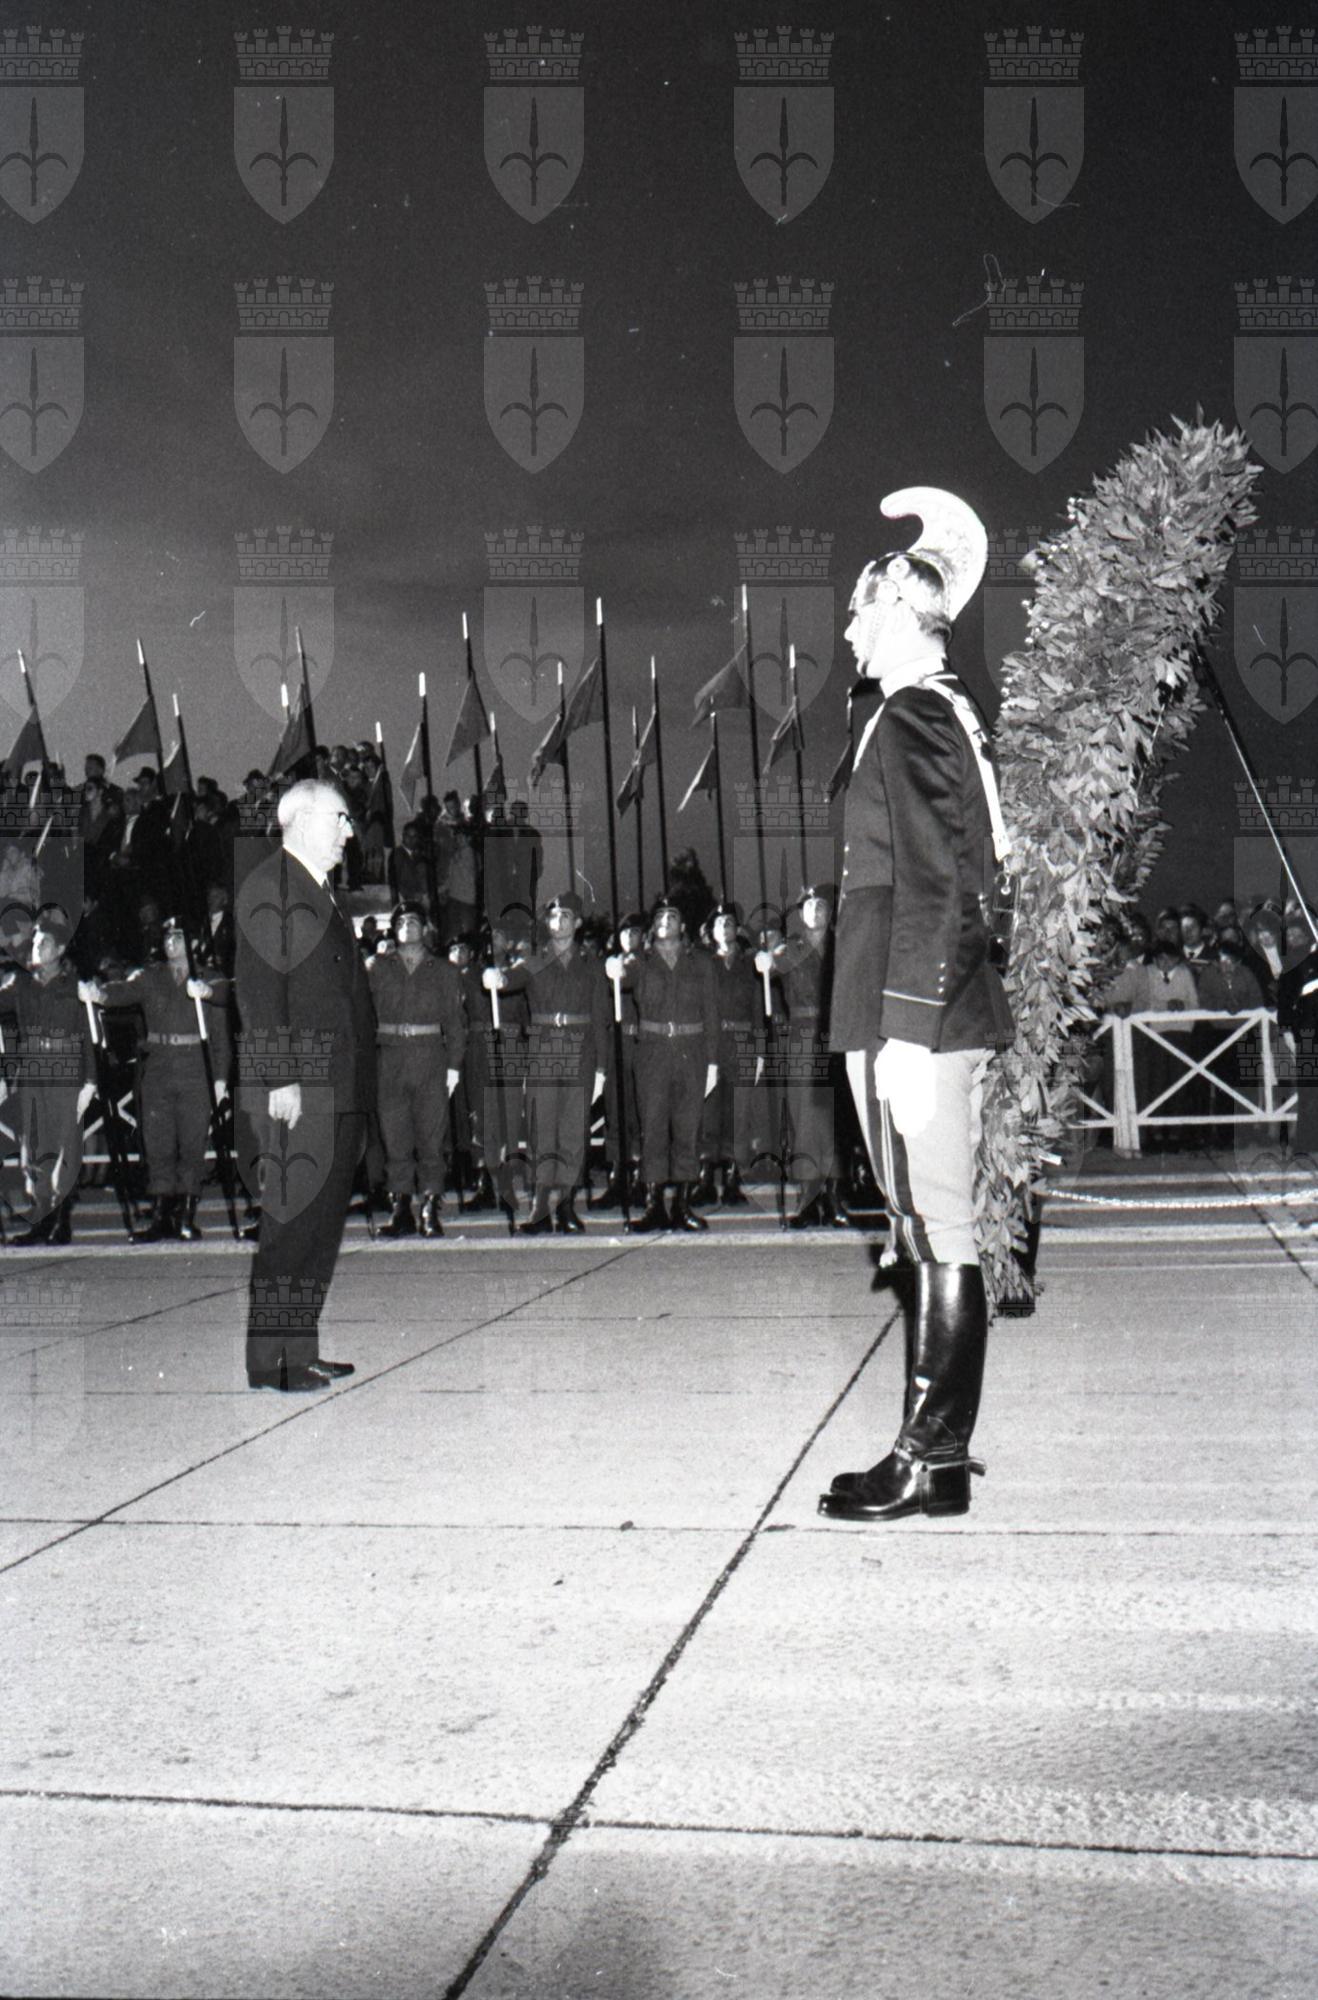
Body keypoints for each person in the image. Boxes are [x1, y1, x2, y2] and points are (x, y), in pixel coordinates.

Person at [817, 487, 1014, 1524]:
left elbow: (939, 884)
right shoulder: (932, 711)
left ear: (899, 606)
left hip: (916, 1020)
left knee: (937, 1231)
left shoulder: (913, 715)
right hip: (925, 1012)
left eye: (858, 611)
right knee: (928, 1225)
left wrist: (901, 1027)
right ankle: (932, 1460)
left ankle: (929, 1456)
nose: (848, 632)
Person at [234, 780, 375, 1390]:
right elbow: (260, 991)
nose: (350, 831)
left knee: (320, 1229)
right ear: (301, 819)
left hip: (338, 1086)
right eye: (340, 818)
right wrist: (282, 1078)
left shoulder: (319, 890)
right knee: (292, 1225)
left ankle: (301, 1349)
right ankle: (272, 1361)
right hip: (302, 1088)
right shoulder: (271, 887)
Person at [85, 915, 232, 1241]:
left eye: (178, 936)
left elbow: (220, 1037)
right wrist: (99, 993)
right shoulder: (151, 976)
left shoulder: (208, 980)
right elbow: (124, 990)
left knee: (192, 1143)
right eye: (167, 937)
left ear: (194, 942)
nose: (170, 943)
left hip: (196, 1068)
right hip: (159, 1068)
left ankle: (186, 1215)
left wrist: (220, 1080)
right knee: (158, 1144)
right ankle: (161, 1215)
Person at [485, 890, 609, 1233]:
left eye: (566, 916)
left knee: (573, 1129)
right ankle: (540, 1206)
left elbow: (600, 1017)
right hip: (543, 1048)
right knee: (543, 1129)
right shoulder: (536, 960)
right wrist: (498, 978)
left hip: (580, 1047)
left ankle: (566, 1204)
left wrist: (601, 1067)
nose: (559, 922)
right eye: (553, 916)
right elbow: (513, 977)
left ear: (578, 923)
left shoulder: (591, 964)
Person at [607, 892, 720, 1232]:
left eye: (672, 916)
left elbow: (711, 1013)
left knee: (687, 1128)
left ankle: (682, 1205)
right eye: (658, 917)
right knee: (653, 1128)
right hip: (653, 1053)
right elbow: (624, 977)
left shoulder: (701, 963)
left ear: (683, 926)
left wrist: (713, 1062)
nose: (664, 922)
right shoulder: (639, 961)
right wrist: (615, 970)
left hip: (691, 1051)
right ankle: (653, 1204)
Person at [369, 901, 466, 1238]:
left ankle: (430, 1206)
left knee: (430, 1137)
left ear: (425, 929)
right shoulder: (377, 969)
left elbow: (455, 1023)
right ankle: (400, 1208)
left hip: (429, 1058)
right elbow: (364, 1015)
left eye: (413, 921)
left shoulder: (445, 971)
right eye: (400, 922)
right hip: (390, 1058)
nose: (407, 926)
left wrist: (453, 1066)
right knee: (394, 1137)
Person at [1, 906, 96, 1245]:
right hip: (33, 1073)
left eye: (44, 943)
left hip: (64, 1071)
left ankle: (61, 1219)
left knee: (64, 1143)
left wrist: (91, 1081)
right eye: (35, 943)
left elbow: (87, 1035)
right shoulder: (21, 986)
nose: (37, 948)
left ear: (59, 950)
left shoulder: (73, 987)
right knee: (36, 1143)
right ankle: (42, 1215)